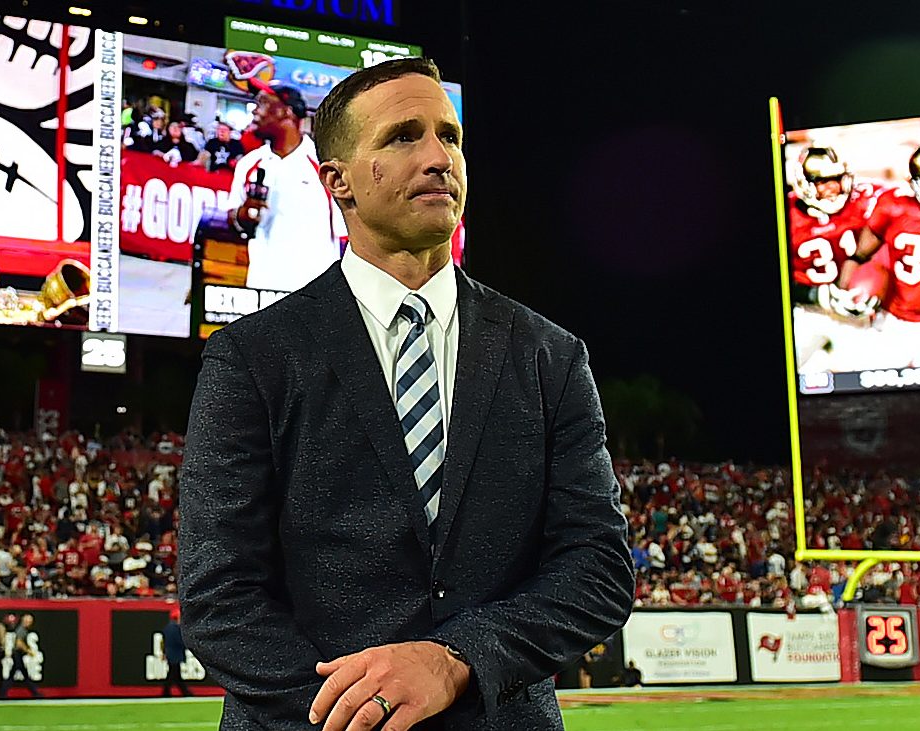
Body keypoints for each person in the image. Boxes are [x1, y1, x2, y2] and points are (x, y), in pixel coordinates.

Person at [180, 58, 634, 731]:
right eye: (402, 137)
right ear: (337, 181)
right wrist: (362, 710)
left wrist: (455, 661)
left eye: (448, 136)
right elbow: (219, 595)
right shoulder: (251, 355)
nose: (437, 157)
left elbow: (596, 568)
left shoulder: (550, 354)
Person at [840, 144, 920, 367]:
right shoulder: (893, 206)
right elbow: (858, 256)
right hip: (894, 321)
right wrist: (844, 295)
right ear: (916, 184)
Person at [225, 84, 346, 292]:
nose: (254, 110)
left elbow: (346, 234)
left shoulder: (325, 165)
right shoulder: (250, 164)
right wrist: (243, 215)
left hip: (315, 295)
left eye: (262, 103)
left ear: (287, 111)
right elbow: (233, 217)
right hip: (262, 288)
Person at [787, 147, 884, 372]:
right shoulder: (786, 213)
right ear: (804, 183)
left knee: (870, 374)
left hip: (854, 306)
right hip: (806, 311)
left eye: (836, 179)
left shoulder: (864, 201)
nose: (832, 188)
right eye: (822, 182)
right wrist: (818, 295)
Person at [0, 613, 42, 698]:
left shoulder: (21, 629)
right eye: (28, 621)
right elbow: (18, 643)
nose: (29, 622)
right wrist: (28, 651)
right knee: (16, 676)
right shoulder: (21, 629)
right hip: (17, 654)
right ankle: (35, 693)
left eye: (30, 621)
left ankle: (35, 692)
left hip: (17, 655)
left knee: (20, 675)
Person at [160, 609, 194, 697]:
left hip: (171, 654)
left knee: (175, 674)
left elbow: (164, 642)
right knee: (173, 674)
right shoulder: (175, 629)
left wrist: (164, 652)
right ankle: (169, 692)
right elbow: (179, 641)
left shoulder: (167, 628)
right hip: (175, 654)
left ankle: (183, 692)